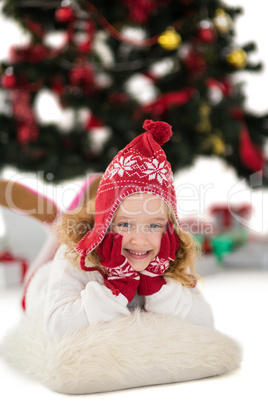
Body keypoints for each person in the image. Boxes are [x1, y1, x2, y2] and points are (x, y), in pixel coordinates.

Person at [17, 120, 214, 337]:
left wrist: (157, 288)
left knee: (72, 223)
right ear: (105, 225)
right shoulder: (76, 256)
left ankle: (75, 212)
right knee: (59, 240)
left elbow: (206, 322)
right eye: (126, 224)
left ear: (169, 227)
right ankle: (57, 223)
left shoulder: (167, 256)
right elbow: (56, 328)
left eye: (154, 225)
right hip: (42, 283)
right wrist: (117, 289)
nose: (140, 240)